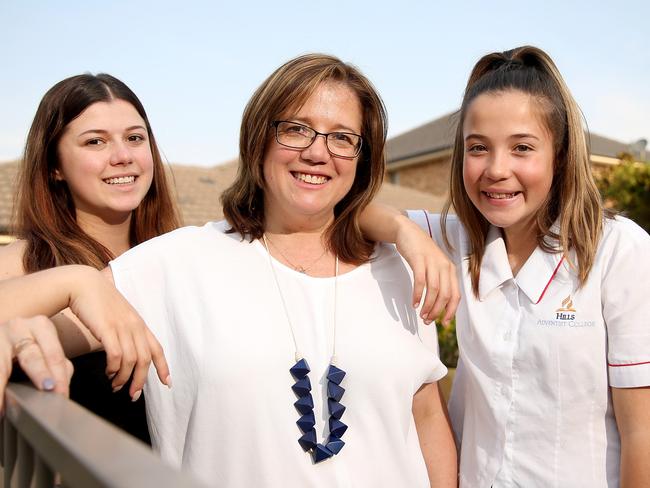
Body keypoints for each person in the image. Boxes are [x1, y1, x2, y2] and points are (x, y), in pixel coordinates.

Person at [0, 54, 458, 487]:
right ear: (258, 139)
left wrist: (398, 227)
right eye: (296, 129)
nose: (319, 153)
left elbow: (426, 418)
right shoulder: (175, 263)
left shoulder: (401, 268)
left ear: (361, 159)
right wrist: (77, 280)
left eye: (342, 137)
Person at [360, 45, 650, 487]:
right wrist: (405, 233)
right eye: (478, 148)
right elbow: (355, 213)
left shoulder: (618, 251)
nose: (496, 169)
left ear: (560, 153)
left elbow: (641, 432)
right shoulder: (456, 238)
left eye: (522, 148)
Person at [0, 73, 180, 443]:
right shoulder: (23, 262)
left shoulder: (181, 258)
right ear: (55, 166)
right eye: (95, 141)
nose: (122, 156)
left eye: (135, 138)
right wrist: (76, 281)